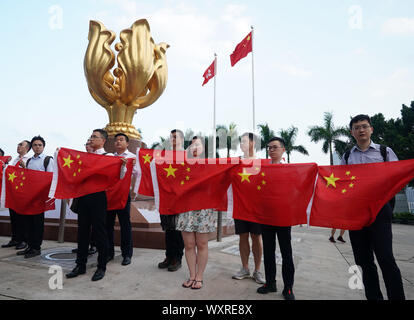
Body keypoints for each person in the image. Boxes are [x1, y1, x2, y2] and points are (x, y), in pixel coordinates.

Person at [340, 114, 405, 300]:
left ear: (371, 129)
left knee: (386, 258)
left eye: (364, 126)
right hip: (356, 215)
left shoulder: (384, 152)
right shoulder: (347, 156)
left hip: (379, 212)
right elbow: (342, 185)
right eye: (357, 127)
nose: (361, 130)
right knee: (364, 261)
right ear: (352, 132)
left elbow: (397, 178)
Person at [66, 129, 126, 281]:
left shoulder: (109, 157)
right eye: (90, 136)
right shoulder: (84, 157)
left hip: (98, 197)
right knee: (82, 232)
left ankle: (101, 267)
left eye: (94, 137)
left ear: (103, 140)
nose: (91, 139)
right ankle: (80, 265)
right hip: (83, 197)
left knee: (100, 232)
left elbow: (119, 176)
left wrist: (122, 167)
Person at [257, 137, 295, 300]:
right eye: (269, 148)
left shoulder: (289, 170)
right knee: (268, 251)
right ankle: (270, 283)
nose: (271, 150)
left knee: (286, 252)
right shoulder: (262, 169)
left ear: (283, 150)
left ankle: (288, 287)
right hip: (266, 216)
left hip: (284, 217)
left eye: (275, 147)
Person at [176, 136, 217, 290]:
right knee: (189, 244)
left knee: (202, 244)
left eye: (198, 144)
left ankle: (199, 277)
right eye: (192, 144)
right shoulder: (181, 165)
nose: (194, 147)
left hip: (203, 209)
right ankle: (192, 275)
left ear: (203, 149)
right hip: (186, 208)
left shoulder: (210, 165)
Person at [232, 132, 265, 284]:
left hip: (257, 208)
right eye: (241, 142)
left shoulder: (261, 163)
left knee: (256, 237)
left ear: (252, 143)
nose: (241, 144)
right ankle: (245, 268)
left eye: (244, 141)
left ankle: (257, 270)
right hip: (240, 206)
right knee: (243, 236)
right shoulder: (236, 162)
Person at [17, 136, 53, 259]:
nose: (37, 147)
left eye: (40, 145)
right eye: (35, 145)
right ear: (31, 147)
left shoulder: (48, 160)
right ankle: (29, 246)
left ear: (43, 147)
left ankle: (36, 248)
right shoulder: (29, 161)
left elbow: (50, 178)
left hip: (40, 198)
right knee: (28, 223)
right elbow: (28, 178)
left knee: (37, 224)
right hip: (29, 197)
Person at [106, 133, 136, 266]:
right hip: (110, 194)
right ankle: (108, 252)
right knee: (108, 224)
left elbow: (137, 174)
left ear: (127, 143)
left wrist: (129, 166)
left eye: (121, 140)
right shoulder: (110, 157)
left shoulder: (132, 158)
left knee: (125, 224)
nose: (118, 142)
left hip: (124, 194)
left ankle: (127, 254)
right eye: (116, 140)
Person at [157, 129, 185, 272]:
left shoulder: (187, 156)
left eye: (175, 137)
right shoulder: (164, 156)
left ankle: (177, 258)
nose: (172, 140)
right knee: (168, 228)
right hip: (166, 197)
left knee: (177, 230)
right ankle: (168, 256)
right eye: (171, 137)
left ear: (181, 139)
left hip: (180, 198)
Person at [1, 140, 31, 250]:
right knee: (14, 217)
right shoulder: (15, 160)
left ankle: (24, 240)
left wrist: (25, 168)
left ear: (27, 148)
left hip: (23, 193)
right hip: (13, 193)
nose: (18, 146)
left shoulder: (29, 160)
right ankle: (15, 239)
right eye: (18, 144)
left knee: (23, 218)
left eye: (21, 145)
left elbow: (31, 175)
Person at [71, 139, 97, 256]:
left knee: (94, 223)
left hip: (94, 195)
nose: (88, 146)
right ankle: (82, 247)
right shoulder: (80, 158)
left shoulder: (98, 157)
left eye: (90, 143)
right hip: (82, 194)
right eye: (86, 144)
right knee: (83, 224)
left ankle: (94, 245)